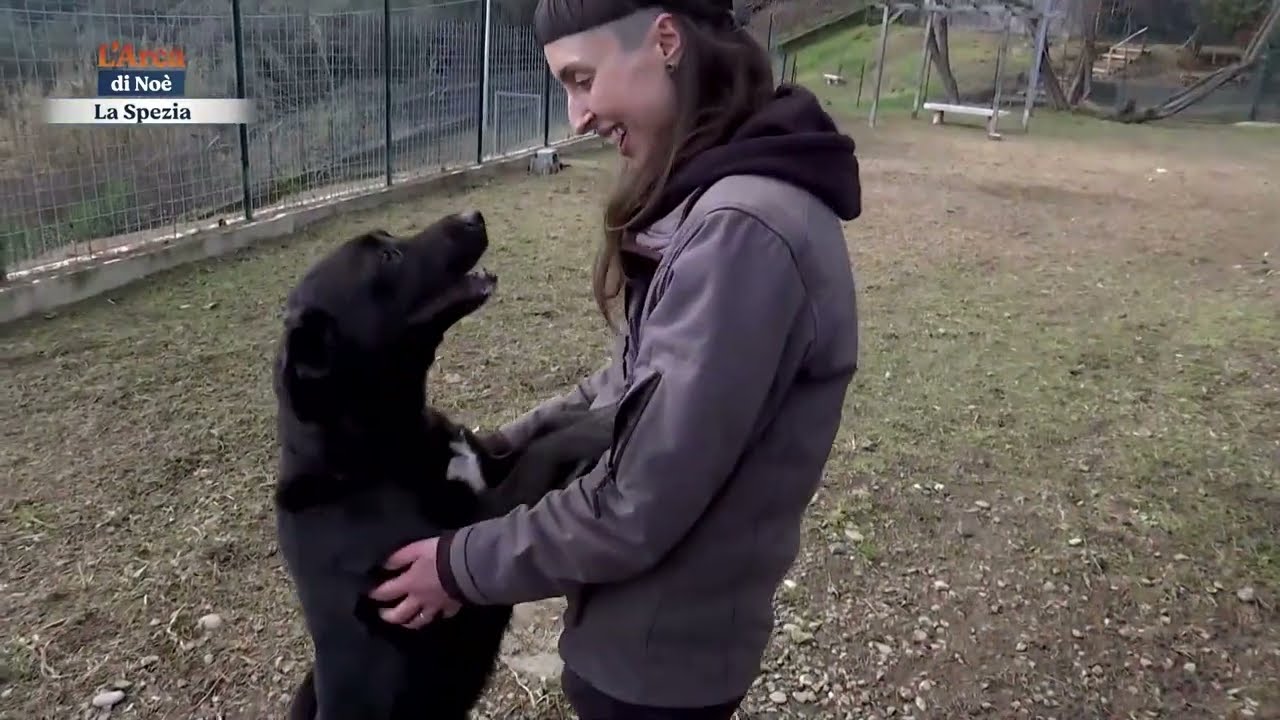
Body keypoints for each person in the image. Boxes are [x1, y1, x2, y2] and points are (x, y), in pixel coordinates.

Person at [367, 0, 861, 716]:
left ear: (664, 40)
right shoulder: (727, 201)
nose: (577, 117)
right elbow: (636, 380)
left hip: (656, 668)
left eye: (582, 78)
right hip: (648, 642)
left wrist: (456, 567)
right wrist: (505, 445)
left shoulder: (741, 232)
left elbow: (636, 506)